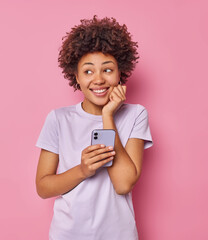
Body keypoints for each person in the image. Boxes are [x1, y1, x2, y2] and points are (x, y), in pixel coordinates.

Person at [35, 15, 153, 240]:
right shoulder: (58, 119)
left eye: (107, 70)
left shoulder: (136, 115)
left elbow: (123, 184)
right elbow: (43, 187)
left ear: (120, 73)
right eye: (88, 71)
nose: (98, 79)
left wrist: (108, 115)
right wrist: (83, 170)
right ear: (76, 77)